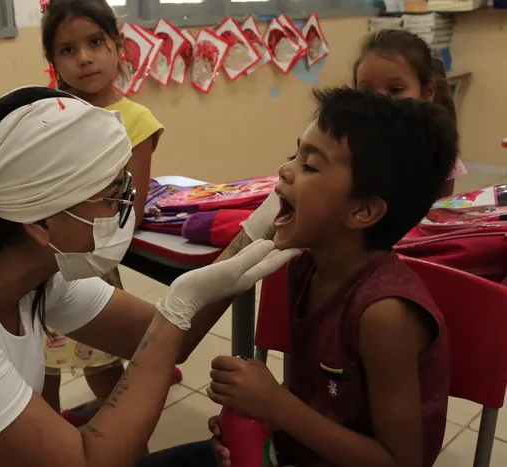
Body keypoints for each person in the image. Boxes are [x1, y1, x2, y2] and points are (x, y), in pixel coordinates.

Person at [0, 86, 298, 467]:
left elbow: (159, 337)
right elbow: (87, 461)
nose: (127, 206)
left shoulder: (41, 271)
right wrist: (177, 310)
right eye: (112, 195)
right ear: (40, 222)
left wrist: (260, 222)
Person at [141, 87, 458, 467]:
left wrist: (277, 406)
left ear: (363, 212)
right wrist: (258, 422)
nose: (285, 169)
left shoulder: (384, 314)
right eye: (295, 155)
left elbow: (400, 462)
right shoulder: (306, 266)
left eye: (309, 165)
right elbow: (328, 395)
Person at [39, 0, 169, 424]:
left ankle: (131, 450)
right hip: (39, 268)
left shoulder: (135, 120)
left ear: (118, 46)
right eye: (67, 49)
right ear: (53, 61)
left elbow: (132, 209)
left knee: (105, 375)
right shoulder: (48, 115)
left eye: (95, 42)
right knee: (40, 380)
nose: (84, 58)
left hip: (92, 267)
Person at [353, 29, 466, 198]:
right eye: (367, 91)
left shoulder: (439, 149)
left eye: (396, 90)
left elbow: (440, 213)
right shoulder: (351, 145)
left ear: (428, 91)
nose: (380, 100)